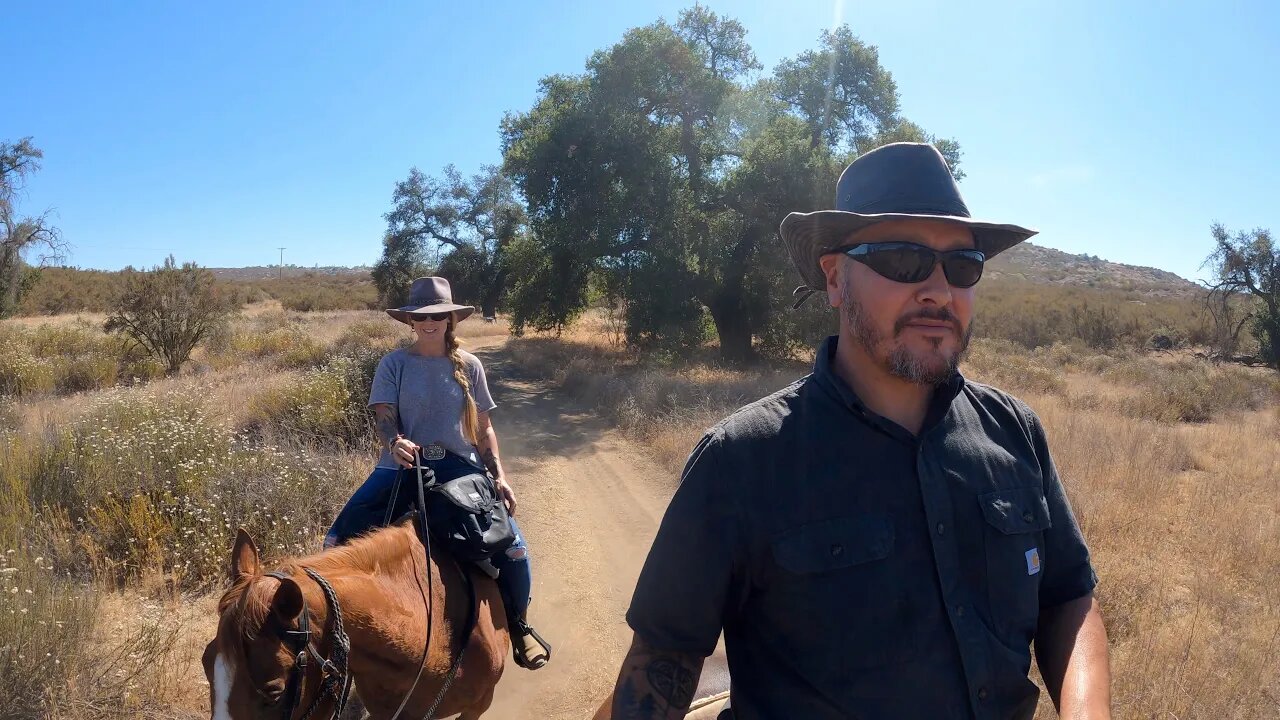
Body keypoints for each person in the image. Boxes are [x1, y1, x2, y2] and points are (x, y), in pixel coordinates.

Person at [610, 143, 1111, 719]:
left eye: (962, 265)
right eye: (903, 261)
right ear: (834, 280)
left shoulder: (1016, 432)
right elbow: (663, 660)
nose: (939, 290)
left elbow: (1068, 598)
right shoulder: (742, 460)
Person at [324, 276, 551, 671]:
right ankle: (333, 647)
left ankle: (518, 627)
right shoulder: (393, 363)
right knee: (334, 543)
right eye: (421, 317)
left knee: (513, 548)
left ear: (450, 319)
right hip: (400, 466)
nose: (429, 323)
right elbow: (384, 417)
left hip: (460, 468)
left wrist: (499, 474)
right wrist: (394, 441)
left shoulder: (470, 365)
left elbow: (484, 429)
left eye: (438, 316)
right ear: (410, 321)